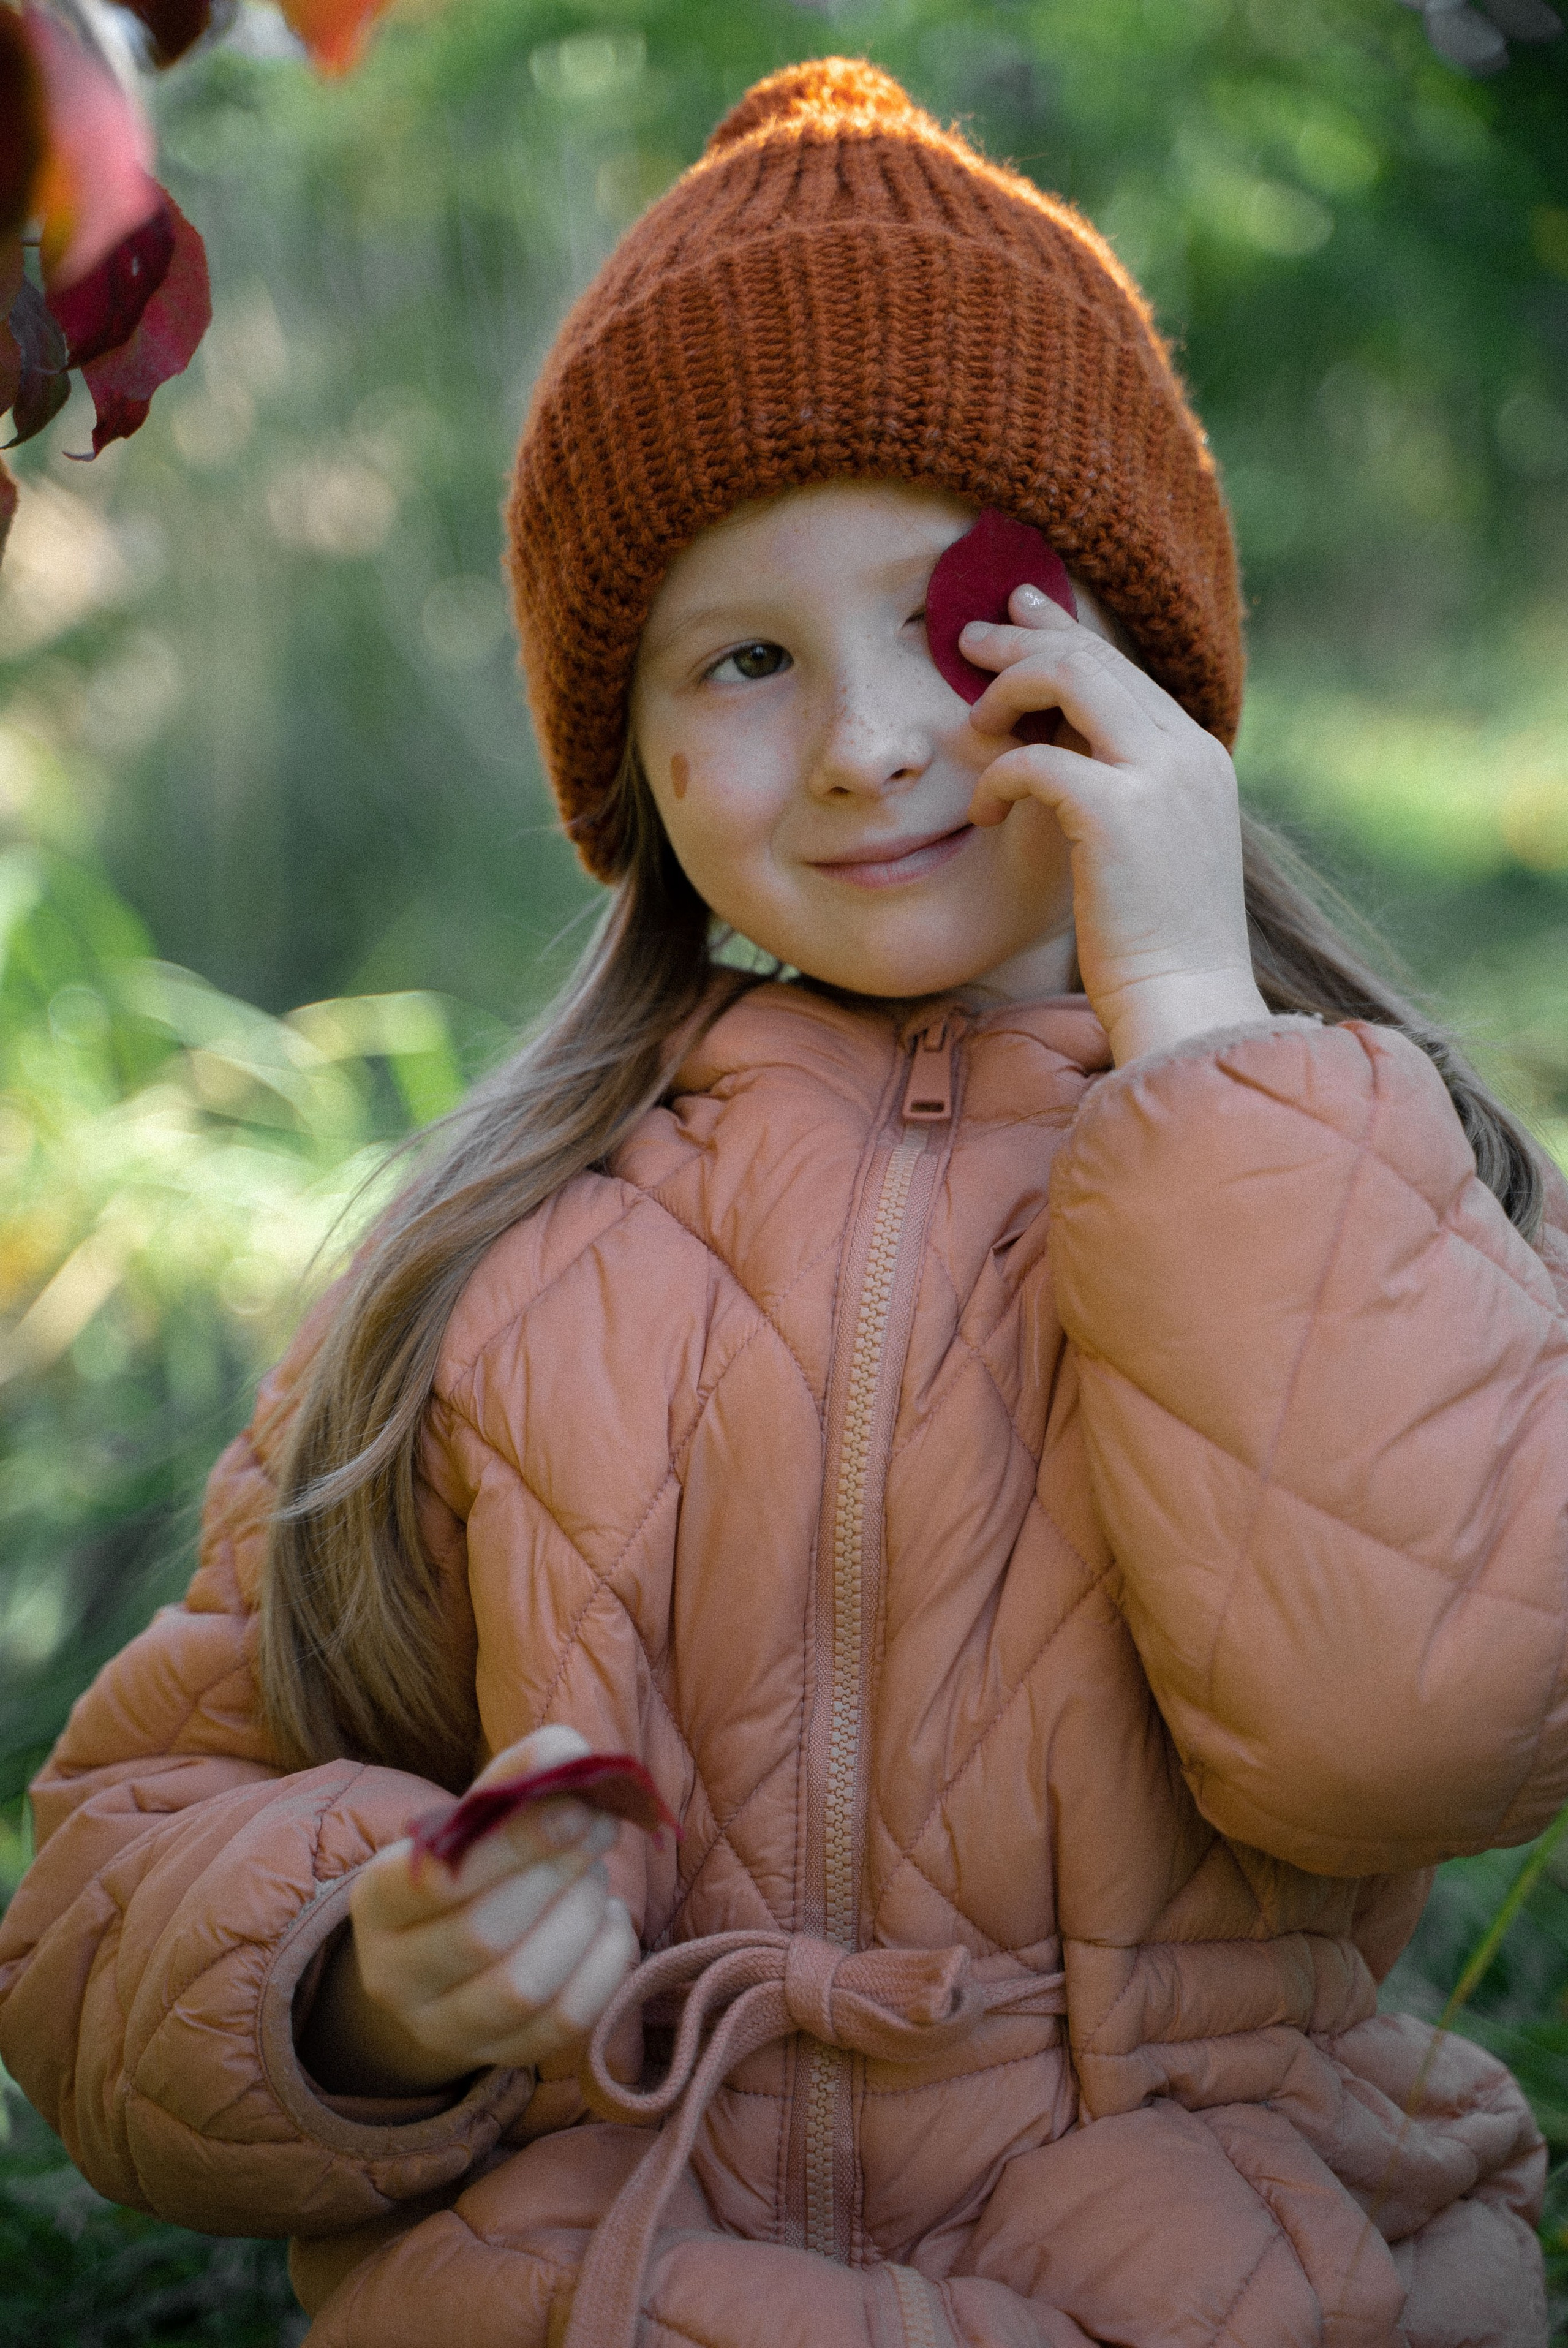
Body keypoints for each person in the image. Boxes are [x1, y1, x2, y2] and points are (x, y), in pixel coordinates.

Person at [1, 56, 1563, 2348]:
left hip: (1229, 2289)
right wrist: (364, 1976)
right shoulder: (500, 1250)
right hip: (605, 2290)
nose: (866, 741)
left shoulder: (1343, 1158)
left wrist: (1205, 1029)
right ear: (622, 755)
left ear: (1145, 673)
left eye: (966, 628)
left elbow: (1427, 1713)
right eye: (744, 658)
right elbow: (124, 1862)